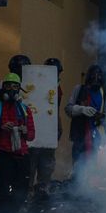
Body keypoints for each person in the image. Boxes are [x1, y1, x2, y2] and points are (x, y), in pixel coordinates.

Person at [0, 73, 36, 213]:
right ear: (3, 88)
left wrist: (25, 131)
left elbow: (32, 136)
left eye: (15, 86)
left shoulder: (25, 109)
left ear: (19, 89)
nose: (12, 89)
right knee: (3, 192)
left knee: (22, 191)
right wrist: (1, 128)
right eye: (8, 86)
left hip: (23, 155)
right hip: (4, 155)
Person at [65, 64, 106, 187]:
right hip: (80, 134)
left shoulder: (104, 94)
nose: (96, 78)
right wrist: (81, 109)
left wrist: (101, 117)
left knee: (93, 166)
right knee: (78, 165)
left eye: (99, 76)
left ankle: (88, 193)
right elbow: (68, 109)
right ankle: (76, 191)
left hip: (96, 136)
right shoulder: (79, 89)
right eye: (93, 75)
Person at [29, 58, 63, 200]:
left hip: (49, 131)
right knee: (31, 166)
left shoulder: (57, 87)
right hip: (36, 130)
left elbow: (55, 110)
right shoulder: (34, 84)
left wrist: (57, 127)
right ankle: (28, 197)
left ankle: (41, 198)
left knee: (46, 167)